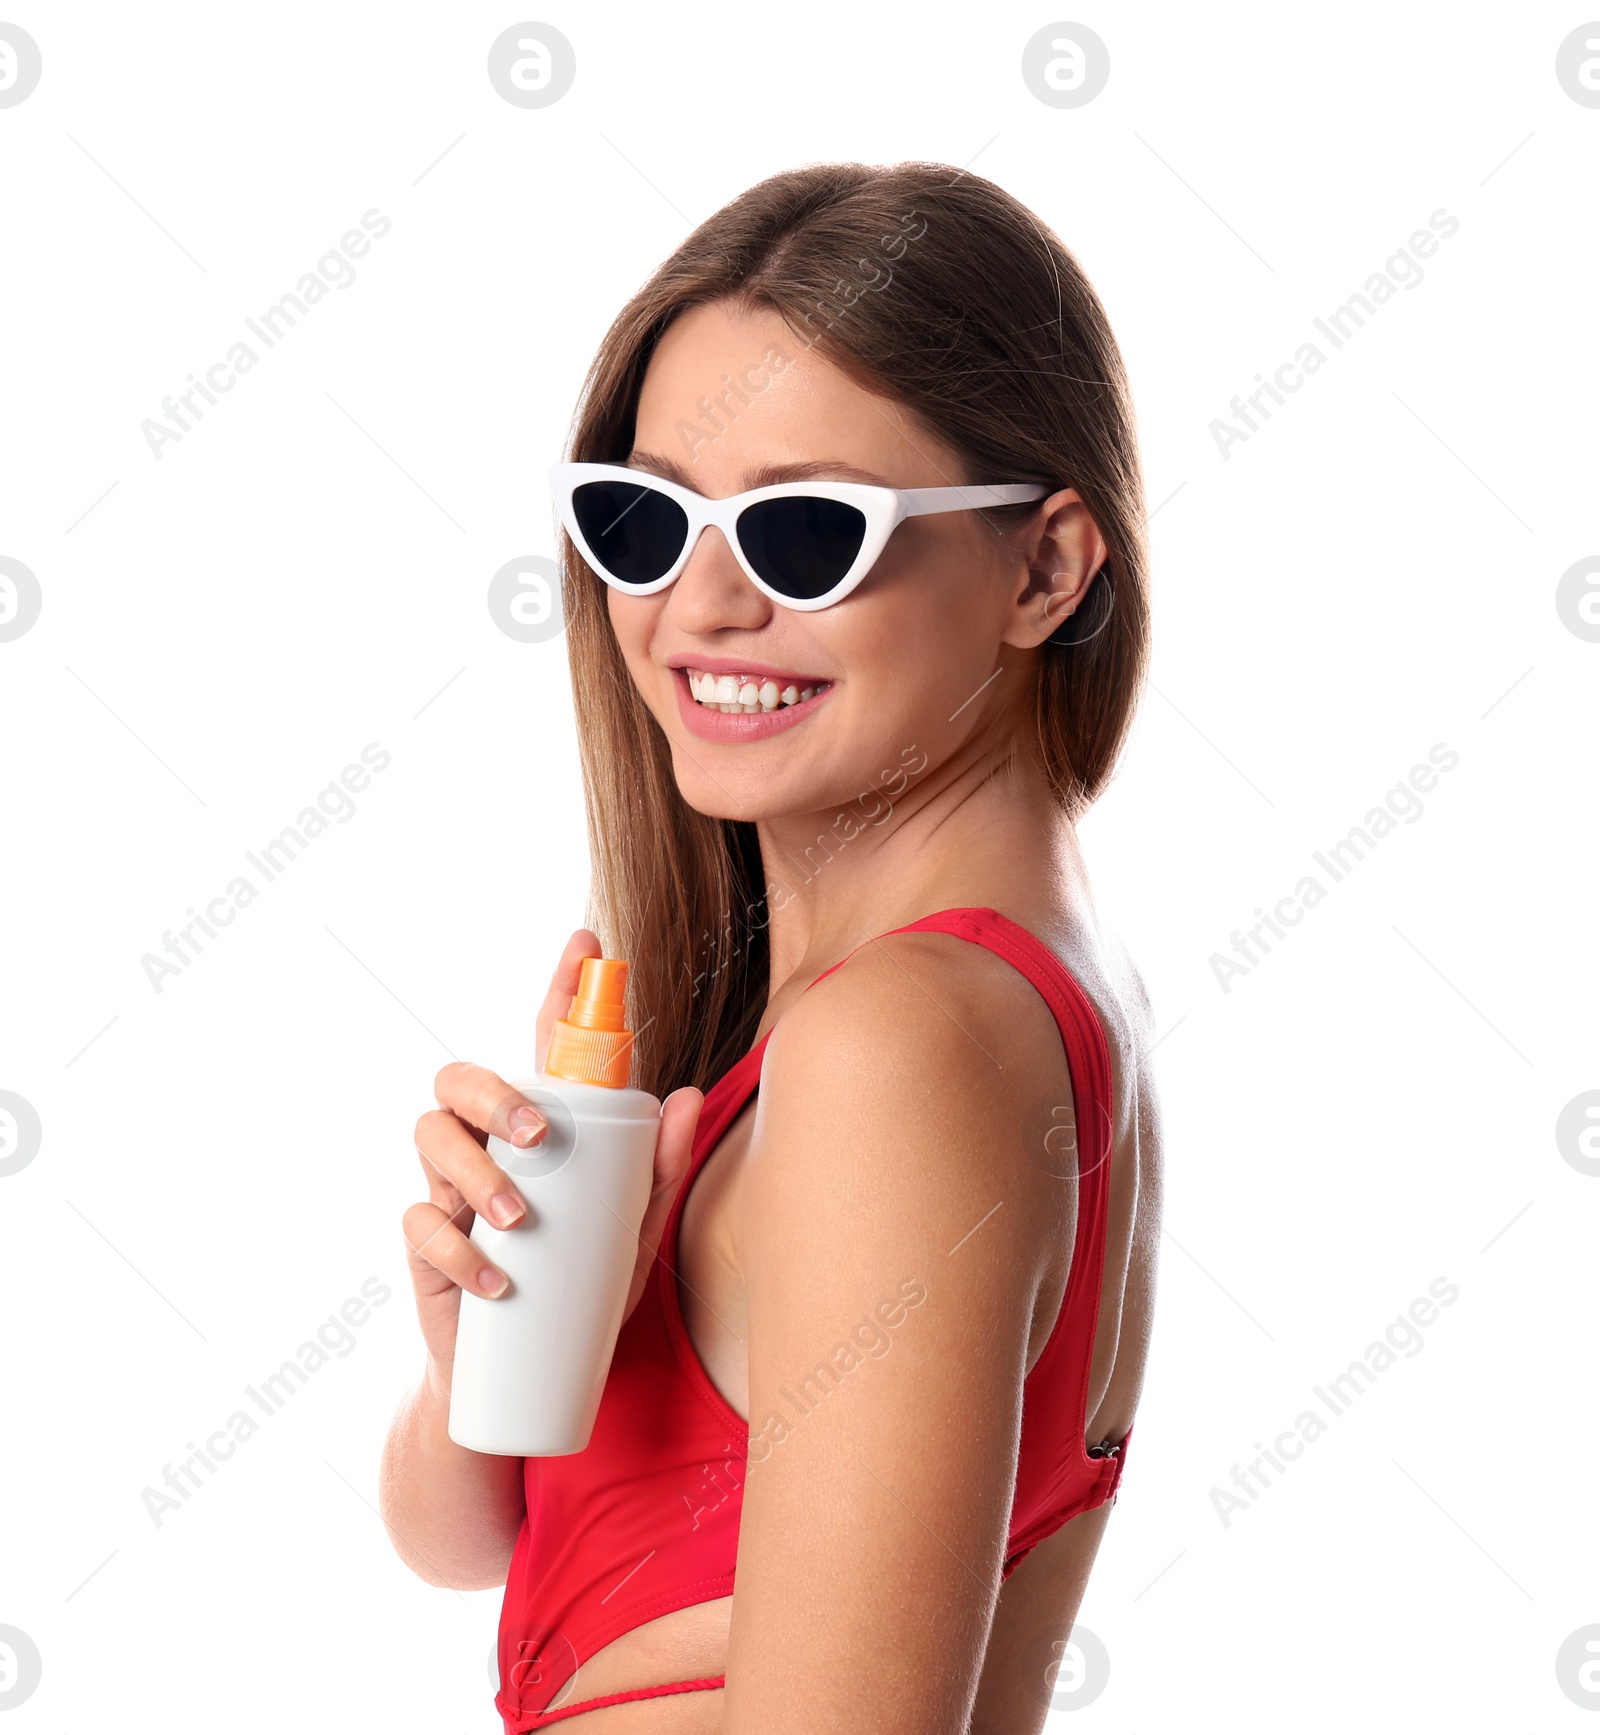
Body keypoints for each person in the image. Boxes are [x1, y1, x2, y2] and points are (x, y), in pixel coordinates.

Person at [380, 160, 1162, 1735]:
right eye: (645, 521)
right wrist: (500, 1334)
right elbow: (472, 1549)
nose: (700, 603)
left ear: (1045, 569)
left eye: (806, 530)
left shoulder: (903, 1042)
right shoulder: (860, 1021)